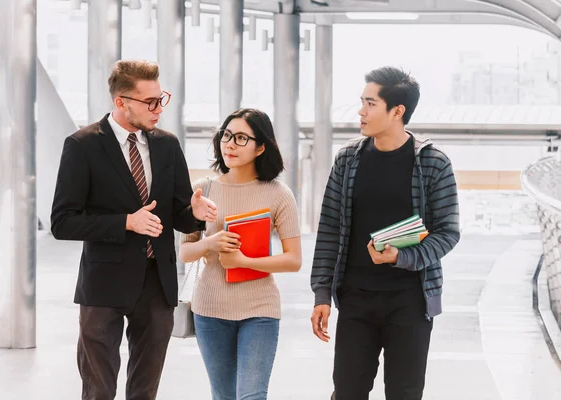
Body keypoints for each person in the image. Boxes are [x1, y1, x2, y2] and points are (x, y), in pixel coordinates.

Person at [50, 59, 217, 400]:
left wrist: (196, 214)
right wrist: (126, 222)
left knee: (145, 391)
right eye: (150, 102)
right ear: (121, 102)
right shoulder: (83, 145)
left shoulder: (167, 144)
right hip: (103, 286)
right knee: (99, 389)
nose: (159, 109)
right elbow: (62, 222)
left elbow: (178, 216)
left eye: (161, 99)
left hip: (158, 283)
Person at [310, 66, 461, 400]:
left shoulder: (433, 163)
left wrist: (402, 256)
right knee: (347, 392)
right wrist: (322, 294)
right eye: (362, 102)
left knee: (404, 393)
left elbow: (448, 232)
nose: (361, 111)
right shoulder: (348, 159)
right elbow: (330, 230)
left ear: (397, 111)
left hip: (410, 299)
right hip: (355, 298)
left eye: (370, 103)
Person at [179, 108, 302, 400]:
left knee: (251, 396)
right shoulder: (202, 190)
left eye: (241, 138)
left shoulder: (278, 193)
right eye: (226, 135)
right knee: (223, 396)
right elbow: (184, 253)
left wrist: (243, 262)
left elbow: (294, 259)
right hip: (209, 310)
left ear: (261, 147)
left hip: (260, 310)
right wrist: (210, 243)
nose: (230, 144)